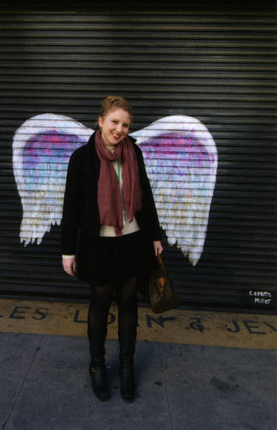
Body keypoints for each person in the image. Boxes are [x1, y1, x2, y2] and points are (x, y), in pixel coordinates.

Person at [61, 96, 163, 403]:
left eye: (125, 125)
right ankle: (97, 366)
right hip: (97, 243)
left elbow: (145, 194)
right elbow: (72, 207)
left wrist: (155, 235)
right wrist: (68, 250)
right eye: (114, 122)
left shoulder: (135, 152)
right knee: (100, 302)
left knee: (130, 302)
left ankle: (127, 366)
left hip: (134, 241)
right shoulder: (82, 158)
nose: (119, 129)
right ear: (101, 121)